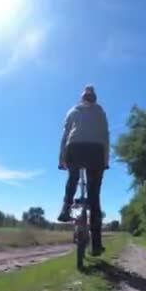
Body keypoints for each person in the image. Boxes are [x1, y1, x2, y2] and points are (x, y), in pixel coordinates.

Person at [58, 85, 109, 256]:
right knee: (94, 196)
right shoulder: (101, 113)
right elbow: (105, 136)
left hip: (75, 148)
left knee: (72, 177)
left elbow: (65, 135)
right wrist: (105, 161)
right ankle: (96, 244)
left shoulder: (73, 110)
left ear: (82, 98)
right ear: (95, 99)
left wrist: (61, 158)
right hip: (96, 151)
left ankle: (65, 208)